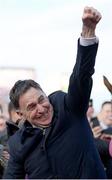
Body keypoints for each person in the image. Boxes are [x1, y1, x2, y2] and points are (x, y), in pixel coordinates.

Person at [4, 7, 106, 179]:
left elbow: (81, 77)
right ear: (21, 114)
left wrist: (88, 33)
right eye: (32, 106)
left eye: (41, 99)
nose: (42, 108)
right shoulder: (18, 144)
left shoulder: (69, 108)